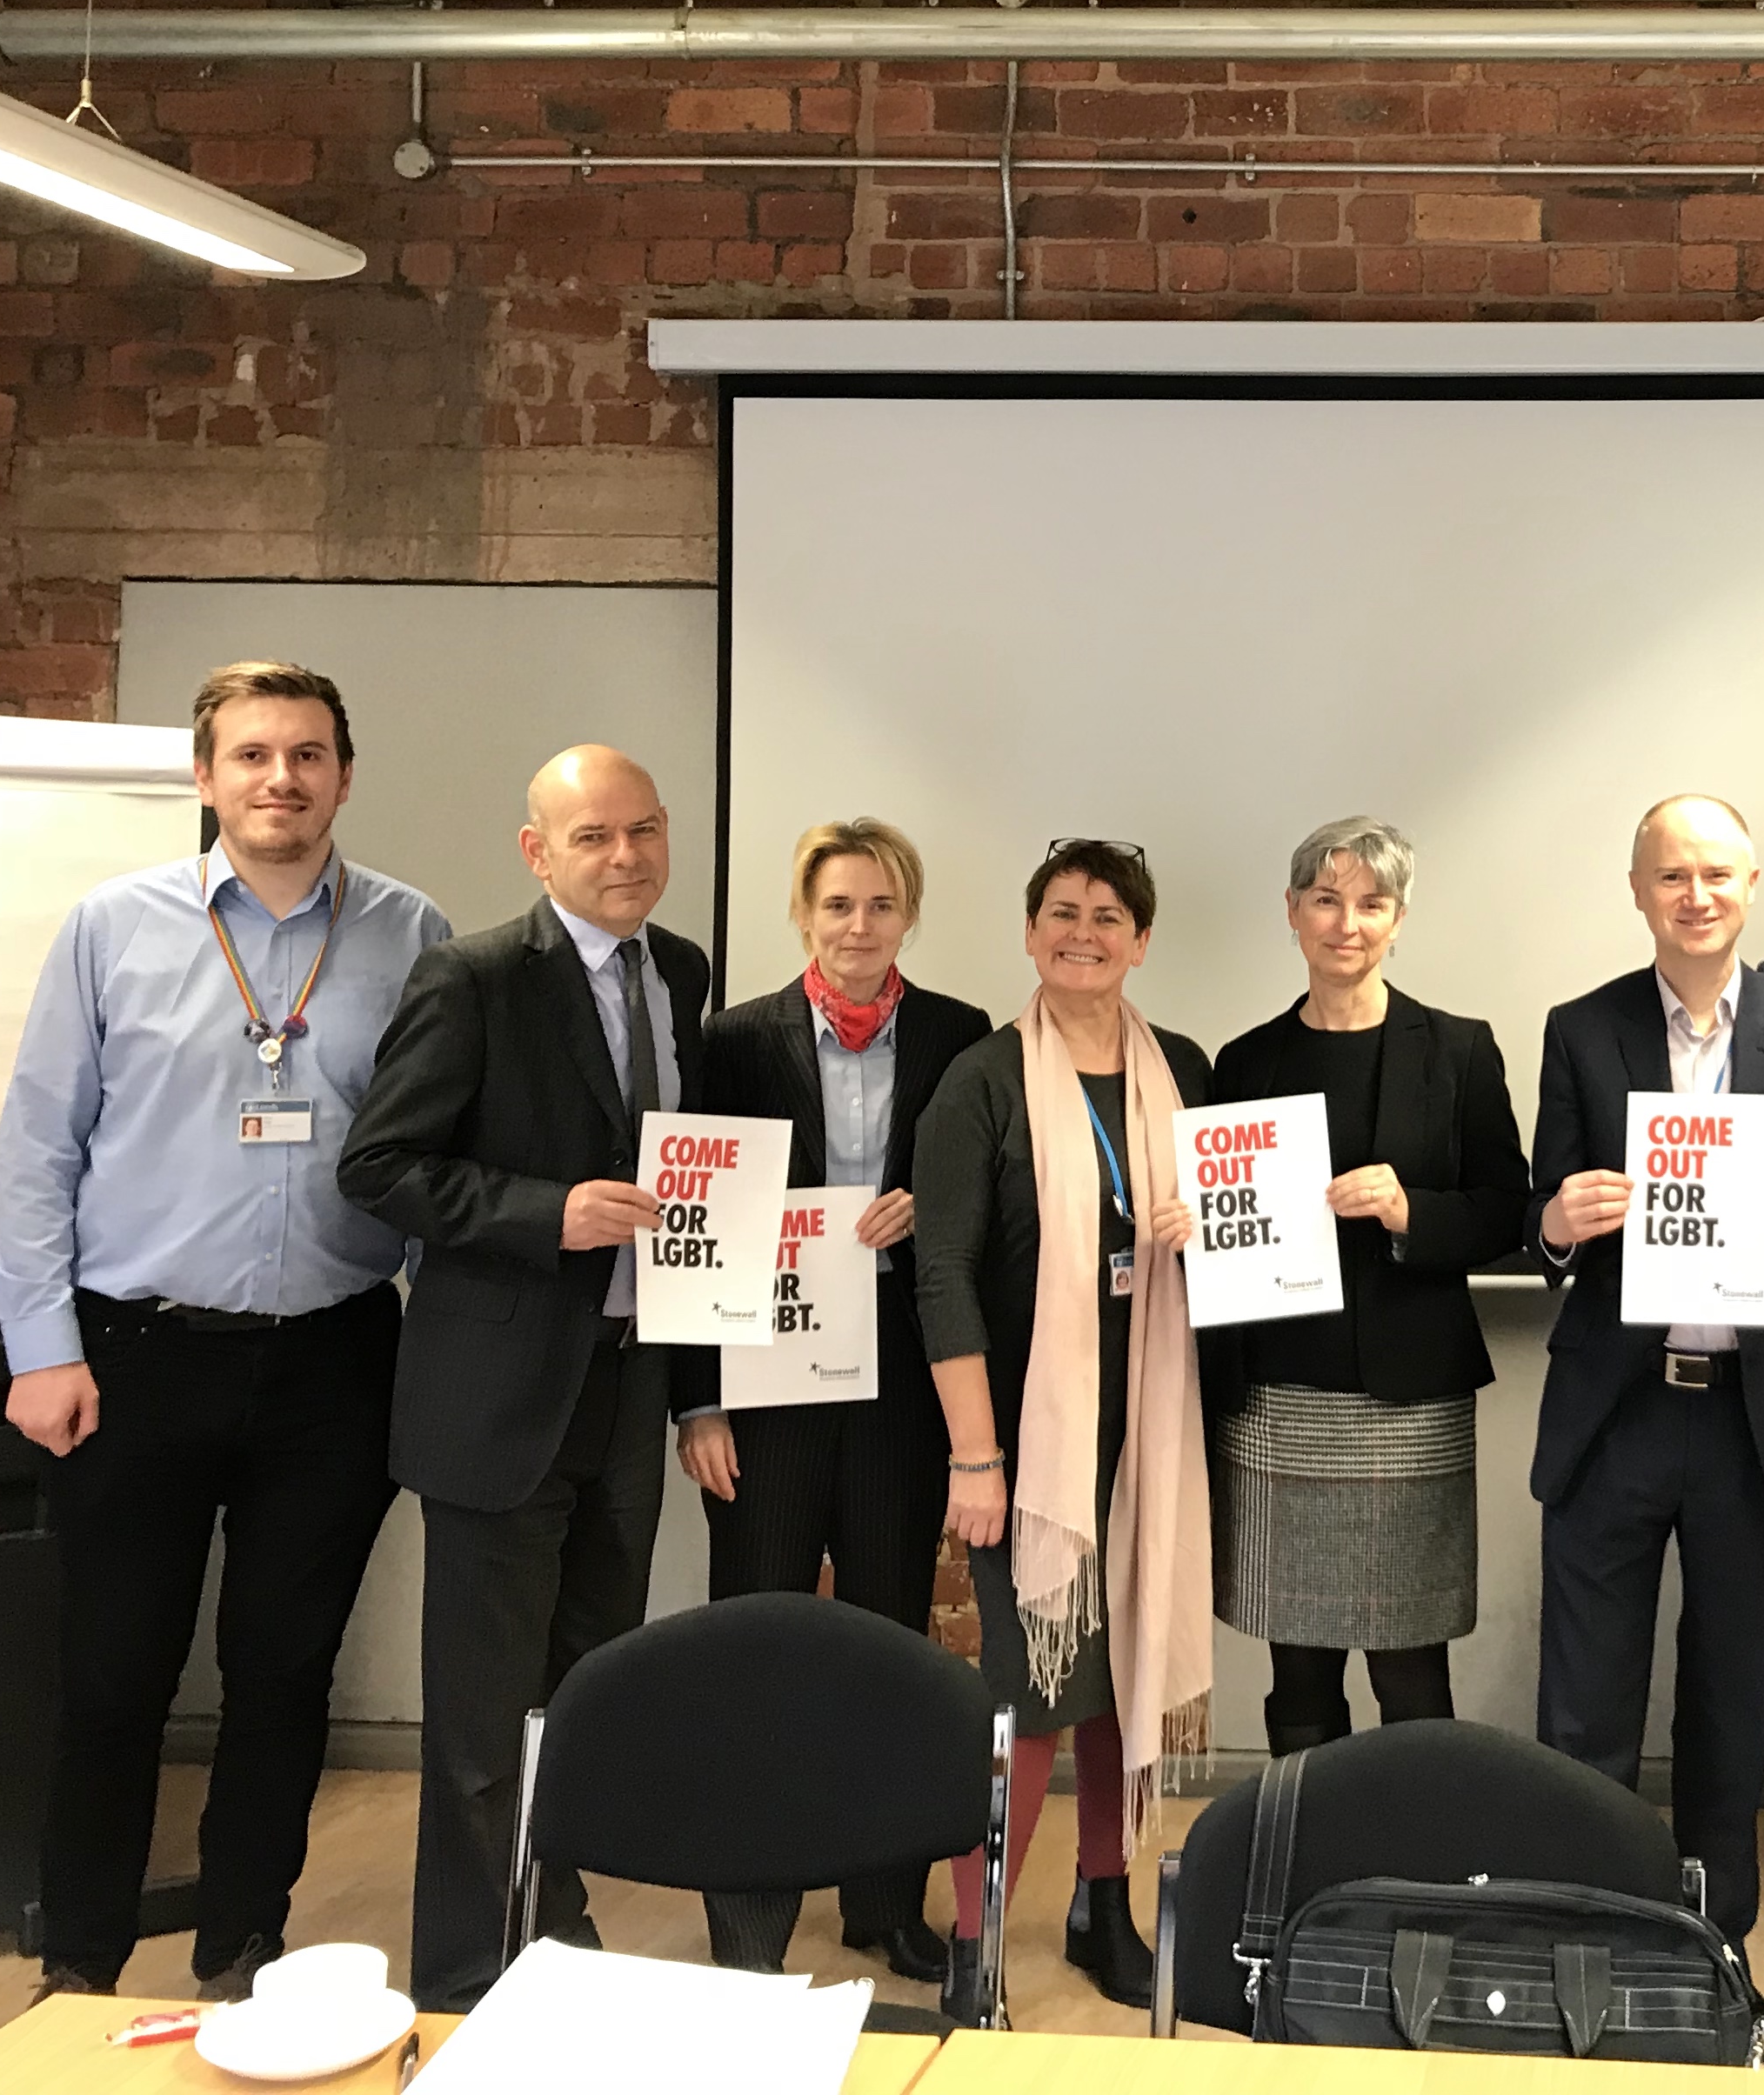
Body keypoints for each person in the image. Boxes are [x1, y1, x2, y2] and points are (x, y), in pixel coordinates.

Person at [0, 663, 448, 2002]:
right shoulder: (110, 927)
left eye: (306, 755)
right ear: (205, 777)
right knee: (113, 1678)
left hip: (335, 1360)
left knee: (285, 1677)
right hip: (135, 1358)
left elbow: (436, 1153)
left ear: (344, 776)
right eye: (251, 755)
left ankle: (245, 1941)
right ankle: (79, 1962)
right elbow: (36, 1148)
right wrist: (40, 1346)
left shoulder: (414, 935)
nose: (279, 779)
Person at [339, 744, 710, 2013]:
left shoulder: (681, 971)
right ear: (536, 852)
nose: (626, 856)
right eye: (594, 836)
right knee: (482, 1715)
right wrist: (550, 1214)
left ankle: (549, 1917)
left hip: (627, 1385)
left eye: (644, 830)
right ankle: (462, 1972)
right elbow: (379, 1166)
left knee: (583, 1690)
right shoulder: (474, 976)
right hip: (497, 1398)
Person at [1528, 793, 1764, 2069]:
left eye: (1717, 874)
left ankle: (1711, 1951)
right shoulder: (1582, 1027)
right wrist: (1558, 1223)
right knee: (1587, 1710)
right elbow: (1540, 1216)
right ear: (1639, 891)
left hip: (1752, 1420)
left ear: (1752, 886)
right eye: (1672, 875)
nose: (1696, 896)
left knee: (1731, 1704)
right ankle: (1583, 1941)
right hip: (1617, 1414)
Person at [671, 819, 992, 1983]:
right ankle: (750, 1918)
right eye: (839, 905)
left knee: (884, 1650)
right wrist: (695, 1403)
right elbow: (693, 1219)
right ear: (803, 915)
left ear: (910, 915)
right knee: (753, 1649)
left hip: (900, 1385)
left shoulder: (959, 1035)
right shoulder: (733, 1040)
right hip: (765, 1390)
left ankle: (882, 1901)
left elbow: (981, 1199)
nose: (860, 927)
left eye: (882, 905)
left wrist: (927, 1207)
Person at [912, 839, 1213, 2013]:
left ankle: (1102, 1905)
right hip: (1027, 1442)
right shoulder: (984, 1080)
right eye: (1062, 912)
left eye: (1107, 916)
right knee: (1032, 1694)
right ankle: (976, 1937)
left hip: (1148, 1430)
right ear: (1031, 932)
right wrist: (975, 1455)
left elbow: (1239, 1237)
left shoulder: (1181, 1069)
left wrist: (1206, 1232)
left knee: (1120, 1676)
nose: (1083, 933)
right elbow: (943, 1275)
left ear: (1142, 941)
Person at [1206, 817, 1529, 1754]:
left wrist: (1409, 1210)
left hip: (1409, 1407)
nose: (1347, 923)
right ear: (1293, 912)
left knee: (1411, 1668)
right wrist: (1193, 1227)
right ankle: (1305, 1840)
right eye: (1326, 900)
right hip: (1278, 1400)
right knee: (1298, 1668)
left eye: (1371, 903)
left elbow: (1507, 1210)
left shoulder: (1457, 1049)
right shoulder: (1244, 1061)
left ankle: (1417, 1843)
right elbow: (1224, 1226)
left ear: (1398, 919)